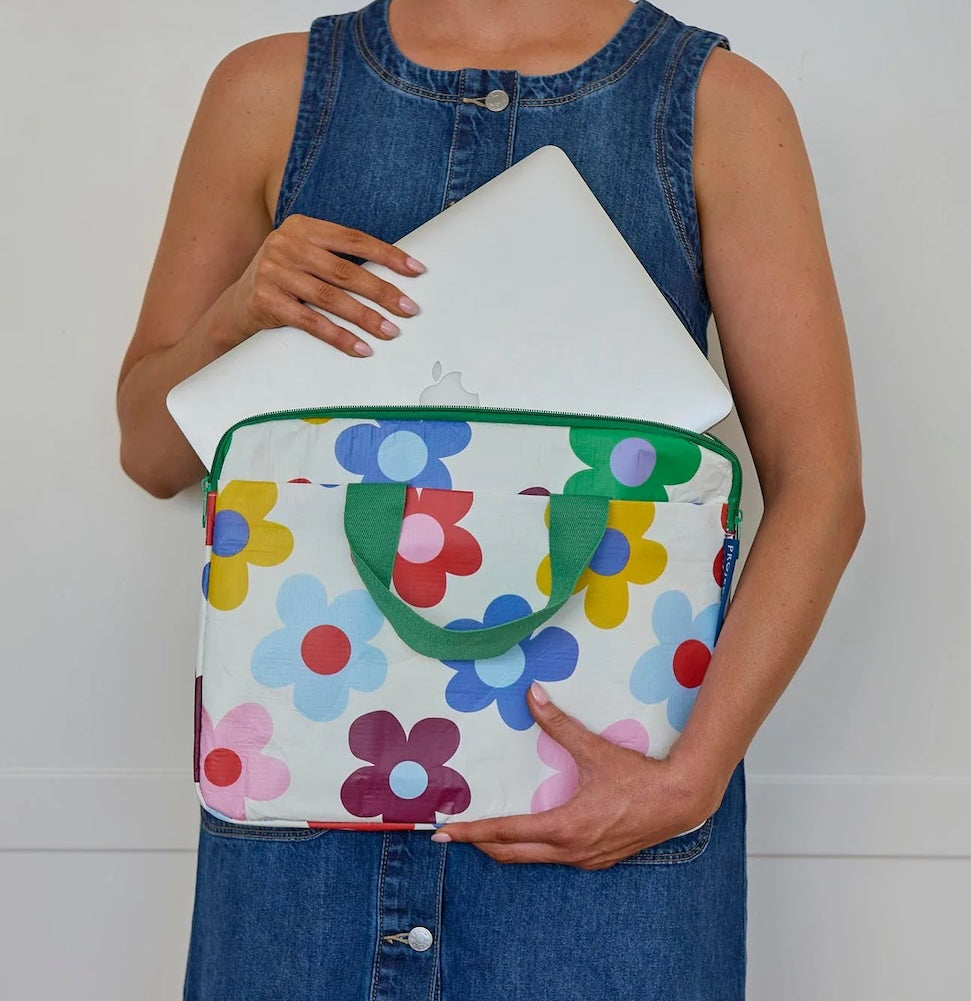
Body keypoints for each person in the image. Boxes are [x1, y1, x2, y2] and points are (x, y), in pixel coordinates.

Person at [116, 1, 865, 998]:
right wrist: (237, 312)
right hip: (301, 845)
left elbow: (822, 486)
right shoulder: (266, 90)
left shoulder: (721, 108)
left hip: (606, 838)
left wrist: (686, 785)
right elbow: (151, 452)